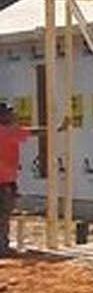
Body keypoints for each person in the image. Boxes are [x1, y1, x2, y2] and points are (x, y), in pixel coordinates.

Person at [0, 104, 39, 257]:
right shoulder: (7, 132)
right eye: (10, 114)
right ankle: (2, 249)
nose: (14, 116)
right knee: (3, 216)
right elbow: (33, 132)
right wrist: (57, 129)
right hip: (3, 182)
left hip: (5, 181)